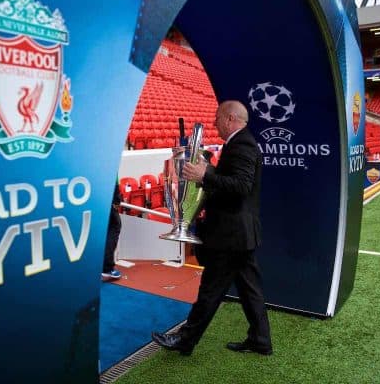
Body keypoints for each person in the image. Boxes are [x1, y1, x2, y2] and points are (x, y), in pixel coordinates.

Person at [151, 100, 272, 356]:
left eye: (218, 118)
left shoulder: (243, 145)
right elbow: (233, 180)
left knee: (210, 291)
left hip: (231, 234)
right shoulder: (240, 143)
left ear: (230, 119)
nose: (215, 122)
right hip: (240, 235)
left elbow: (241, 186)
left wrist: (204, 176)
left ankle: (185, 340)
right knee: (250, 290)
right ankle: (260, 340)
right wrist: (209, 170)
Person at [102, 182, 122, 279]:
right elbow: (114, 179)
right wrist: (116, 200)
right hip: (108, 197)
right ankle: (107, 268)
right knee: (114, 227)